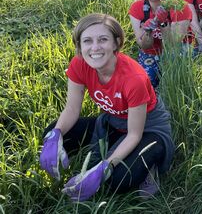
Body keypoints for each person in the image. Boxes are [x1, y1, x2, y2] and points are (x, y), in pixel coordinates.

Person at [39, 13, 174, 202]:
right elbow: (71, 109)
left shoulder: (134, 78)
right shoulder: (79, 64)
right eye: (87, 41)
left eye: (103, 39)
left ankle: (150, 165)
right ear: (79, 45)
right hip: (114, 122)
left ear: (116, 43)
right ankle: (110, 147)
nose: (95, 48)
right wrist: (55, 135)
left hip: (147, 129)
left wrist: (104, 168)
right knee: (53, 131)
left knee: (118, 180)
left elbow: (134, 134)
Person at [129, 0, 191, 87]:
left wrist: (163, 23)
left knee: (173, 81)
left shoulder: (179, 6)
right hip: (151, 50)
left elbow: (173, 44)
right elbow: (144, 46)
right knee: (145, 82)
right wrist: (148, 32)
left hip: (178, 48)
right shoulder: (137, 8)